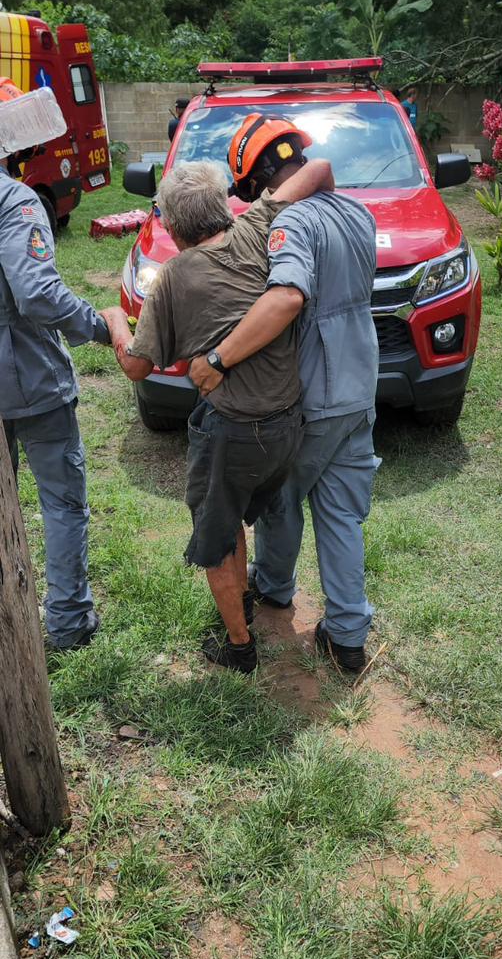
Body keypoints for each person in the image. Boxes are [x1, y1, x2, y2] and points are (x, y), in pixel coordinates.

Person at [101, 126, 333, 673]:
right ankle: (249, 599)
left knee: (219, 532)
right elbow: (318, 171)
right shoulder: (257, 226)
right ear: (224, 206)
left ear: (174, 226)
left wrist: (115, 320)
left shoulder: (173, 278)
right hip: (287, 423)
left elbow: (136, 364)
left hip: (235, 429)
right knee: (240, 518)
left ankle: (238, 647)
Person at [189, 118, 379, 672]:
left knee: (280, 501)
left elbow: (288, 299)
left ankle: (273, 588)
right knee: (342, 514)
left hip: (313, 393)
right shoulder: (355, 212)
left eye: (250, 192)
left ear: (261, 181)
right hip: (358, 387)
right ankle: (346, 636)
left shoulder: (289, 222)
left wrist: (220, 358)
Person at [0, 77, 113, 650]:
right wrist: (98, 324)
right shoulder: (15, 201)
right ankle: (67, 621)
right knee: (63, 503)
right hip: (30, 378)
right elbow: (39, 296)